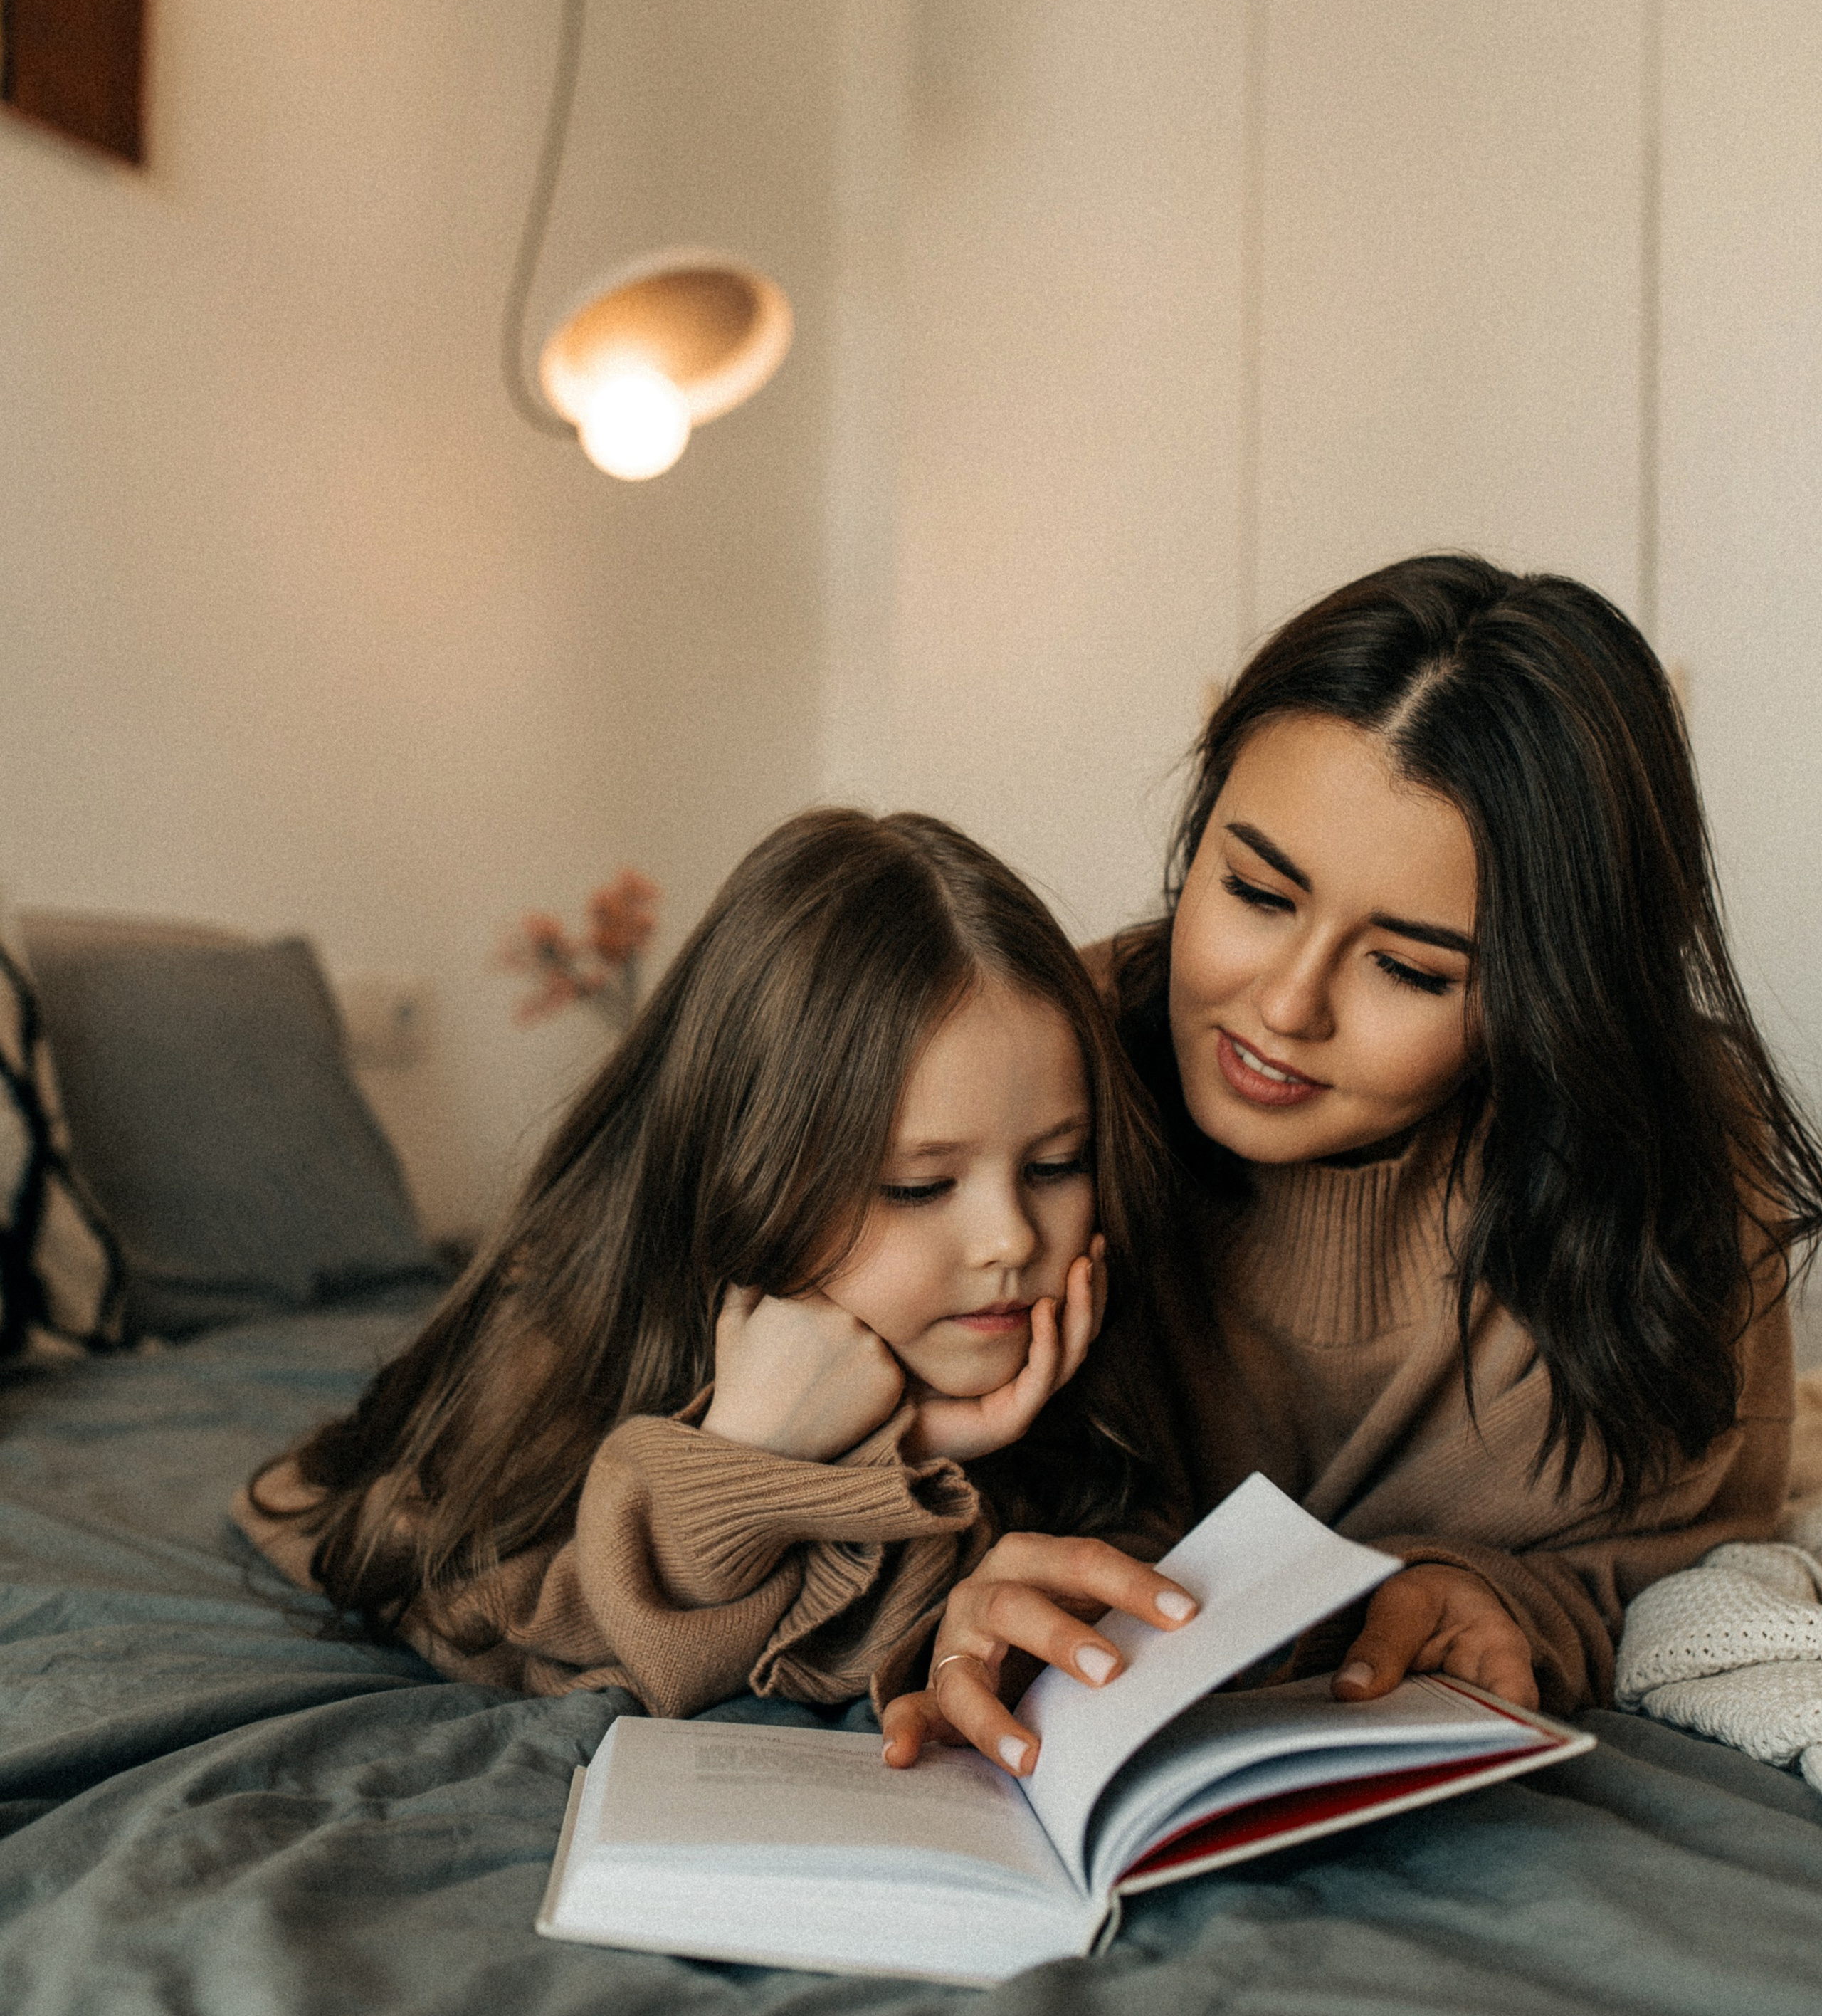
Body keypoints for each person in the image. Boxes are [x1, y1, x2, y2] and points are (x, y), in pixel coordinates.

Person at [884, 554, 1822, 1775]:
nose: (1283, 1007)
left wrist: (1508, 1601)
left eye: (1413, 970)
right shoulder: (1035, 1072)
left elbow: (1692, 1543)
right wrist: (947, 1593)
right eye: (1256, 892)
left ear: (1556, 998)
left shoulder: (1669, 1151)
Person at [233, 809, 1195, 1716]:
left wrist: (906, 1453)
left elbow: (1136, 1557)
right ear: (753, 1169)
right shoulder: (571, 1325)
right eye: (917, 1186)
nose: (1014, 1241)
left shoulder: (1090, 1340)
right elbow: (495, 1612)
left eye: (1056, 1165)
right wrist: (747, 1457)